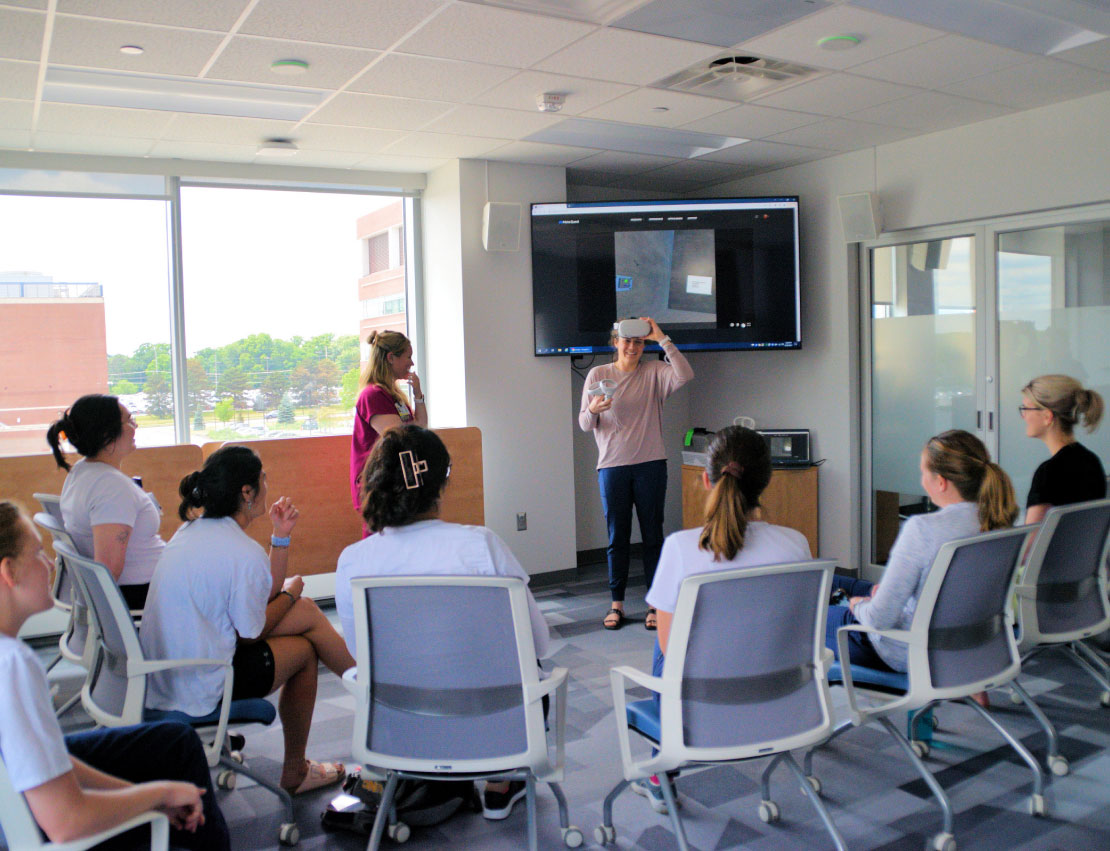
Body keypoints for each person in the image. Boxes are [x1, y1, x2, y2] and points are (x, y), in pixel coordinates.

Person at [336, 425, 550, 823]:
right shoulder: (480, 545)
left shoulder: (353, 560)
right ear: (442, 482)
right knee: (533, 675)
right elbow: (538, 645)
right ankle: (500, 785)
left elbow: (357, 654)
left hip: (397, 733)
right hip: (490, 732)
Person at [0, 500, 230, 850]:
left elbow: (46, 754)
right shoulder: (13, 664)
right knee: (178, 763)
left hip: (17, 793)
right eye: (37, 554)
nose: (50, 564)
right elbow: (67, 821)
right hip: (28, 823)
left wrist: (144, 795)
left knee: (175, 741)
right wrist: (161, 793)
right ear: (9, 572)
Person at [139, 446, 354, 795]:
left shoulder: (190, 532)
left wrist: (281, 536)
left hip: (167, 672)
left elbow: (259, 597)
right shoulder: (241, 552)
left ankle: (367, 688)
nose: (267, 483)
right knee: (304, 650)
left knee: (305, 611)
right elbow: (252, 632)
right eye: (263, 477)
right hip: (203, 681)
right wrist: (289, 595)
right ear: (247, 492)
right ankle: (301, 765)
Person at [639, 425, 810, 812]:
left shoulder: (681, 549)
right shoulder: (795, 544)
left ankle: (662, 770)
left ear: (705, 478)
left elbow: (670, 648)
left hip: (701, 711)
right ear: (765, 482)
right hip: (782, 703)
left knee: (663, 646)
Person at [828, 430, 1018, 678]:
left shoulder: (923, 530)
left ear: (941, 482)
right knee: (839, 582)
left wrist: (858, 605)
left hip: (906, 650)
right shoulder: (998, 523)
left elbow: (878, 620)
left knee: (809, 615)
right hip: (970, 646)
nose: (921, 481)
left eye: (923, 473)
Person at [579, 317, 693, 631]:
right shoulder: (598, 374)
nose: (632, 347)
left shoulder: (655, 371)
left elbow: (685, 373)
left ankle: (655, 604)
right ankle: (616, 604)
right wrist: (594, 410)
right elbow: (584, 424)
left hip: (651, 465)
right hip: (612, 466)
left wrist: (662, 338)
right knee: (618, 538)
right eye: (626, 341)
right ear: (615, 341)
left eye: (639, 342)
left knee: (653, 536)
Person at [46, 394, 164, 609]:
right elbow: (108, 569)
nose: (135, 426)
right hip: (144, 596)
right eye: (129, 421)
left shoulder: (82, 471)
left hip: (145, 589)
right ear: (107, 435)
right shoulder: (112, 487)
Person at [350, 329, 427, 512]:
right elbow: (399, 437)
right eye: (408, 357)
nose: (412, 363)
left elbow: (421, 425)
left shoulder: (393, 395)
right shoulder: (373, 395)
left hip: (394, 481)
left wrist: (418, 395)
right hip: (379, 485)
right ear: (391, 357)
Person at [1019, 374, 1106, 524]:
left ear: (1047, 416)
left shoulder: (1048, 474)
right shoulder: (1092, 461)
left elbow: (1031, 543)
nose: (1023, 416)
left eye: (1026, 408)